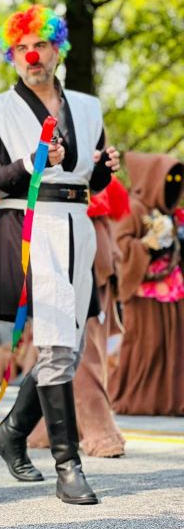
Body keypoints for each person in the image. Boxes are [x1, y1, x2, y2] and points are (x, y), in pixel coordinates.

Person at [0, 5, 120, 505]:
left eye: (41, 45)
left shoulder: (88, 107)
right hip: (33, 229)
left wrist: (104, 169)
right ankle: (67, 465)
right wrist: (27, 162)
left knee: (67, 350)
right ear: (11, 56)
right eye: (21, 48)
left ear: (58, 49)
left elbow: (88, 179)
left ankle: (11, 432)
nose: (32, 56)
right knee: (56, 346)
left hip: (79, 228)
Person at [28, 176, 129, 457]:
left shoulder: (96, 177)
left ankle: (49, 428)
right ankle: (96, 430)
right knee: (78, 350)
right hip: (69, 248)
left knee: (76, 348)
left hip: (87, 255)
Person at [108, 153, 184, 415]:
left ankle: (170, 399)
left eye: (177, 180)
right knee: (147, 346)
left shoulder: (166, 212)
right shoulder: (134, 208)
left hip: (172, 288)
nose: (173, 185)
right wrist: (146, 245)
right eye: (168, 179)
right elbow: (120, 245)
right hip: (142, 290)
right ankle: (139, 398)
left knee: (173, 345)